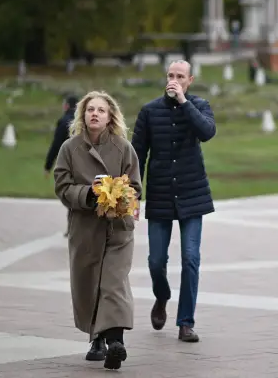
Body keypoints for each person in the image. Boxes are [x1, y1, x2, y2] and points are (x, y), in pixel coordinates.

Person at [53, 90, 141, 369]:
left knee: (113, 283)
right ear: (82, 115)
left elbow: (137, 188)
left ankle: (116, 342)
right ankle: (97, 340)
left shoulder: (123, 148)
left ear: (110, 116)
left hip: (118, 229)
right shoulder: (69, 148)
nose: (95, 114)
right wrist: (89, 195)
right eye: (90, 109)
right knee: (89, 284)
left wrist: (117, 195)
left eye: (101, 110)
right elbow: (62, 186)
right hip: (85, 228)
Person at [132, 60, 216, 343]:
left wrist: (183, 102)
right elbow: (137, 154)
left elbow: (207, 132)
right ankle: (162, 295)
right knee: (156, 261)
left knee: (191, 259)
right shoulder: (149, 111)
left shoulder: (200, 106)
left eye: (180, 77)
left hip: (193, 195)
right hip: (160, 194)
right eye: (170, 75)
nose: (174, 80)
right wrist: (133, 193)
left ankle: (186, 322)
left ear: (189, 80)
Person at [44, 94, 78, 178]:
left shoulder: (64, 122)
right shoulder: (86, 122)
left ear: (66, 106)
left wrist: (48, 166)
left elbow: (56, 145)